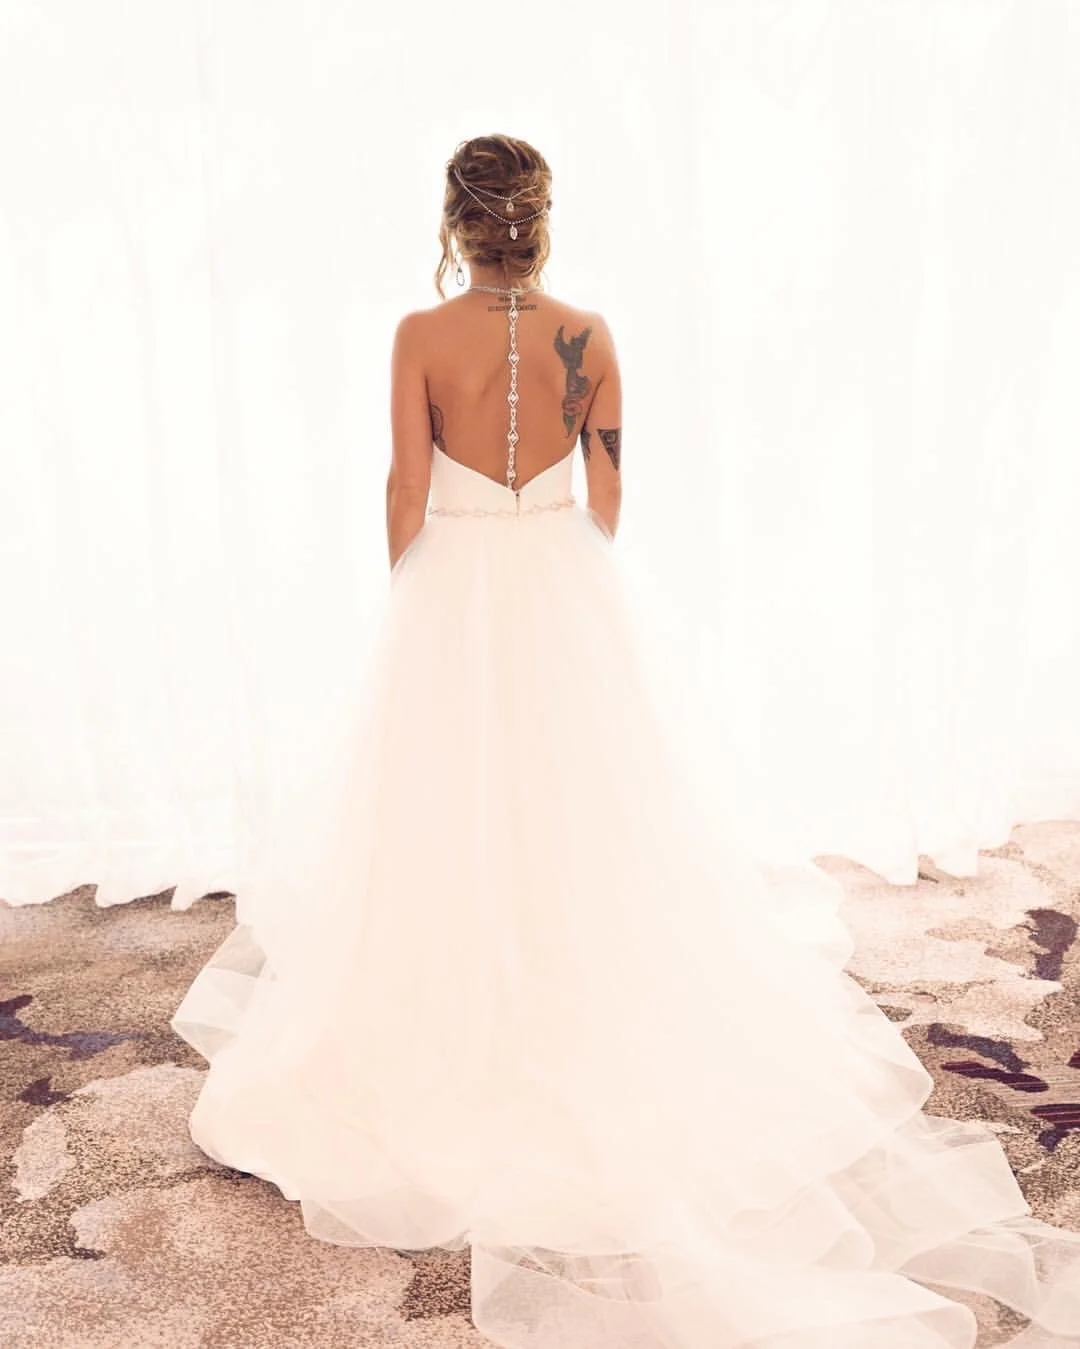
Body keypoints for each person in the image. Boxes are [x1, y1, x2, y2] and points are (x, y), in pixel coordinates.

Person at [172, 134, 1080, 1348]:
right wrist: (559, 559)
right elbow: (607, 493)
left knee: (442, 795)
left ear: (456, 224)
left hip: (454, 583)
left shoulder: (419, 334)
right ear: (538, 222)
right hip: (561, 578)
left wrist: (416, 589)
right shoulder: (588, 333)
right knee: (580, 796)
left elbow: (404, 483)